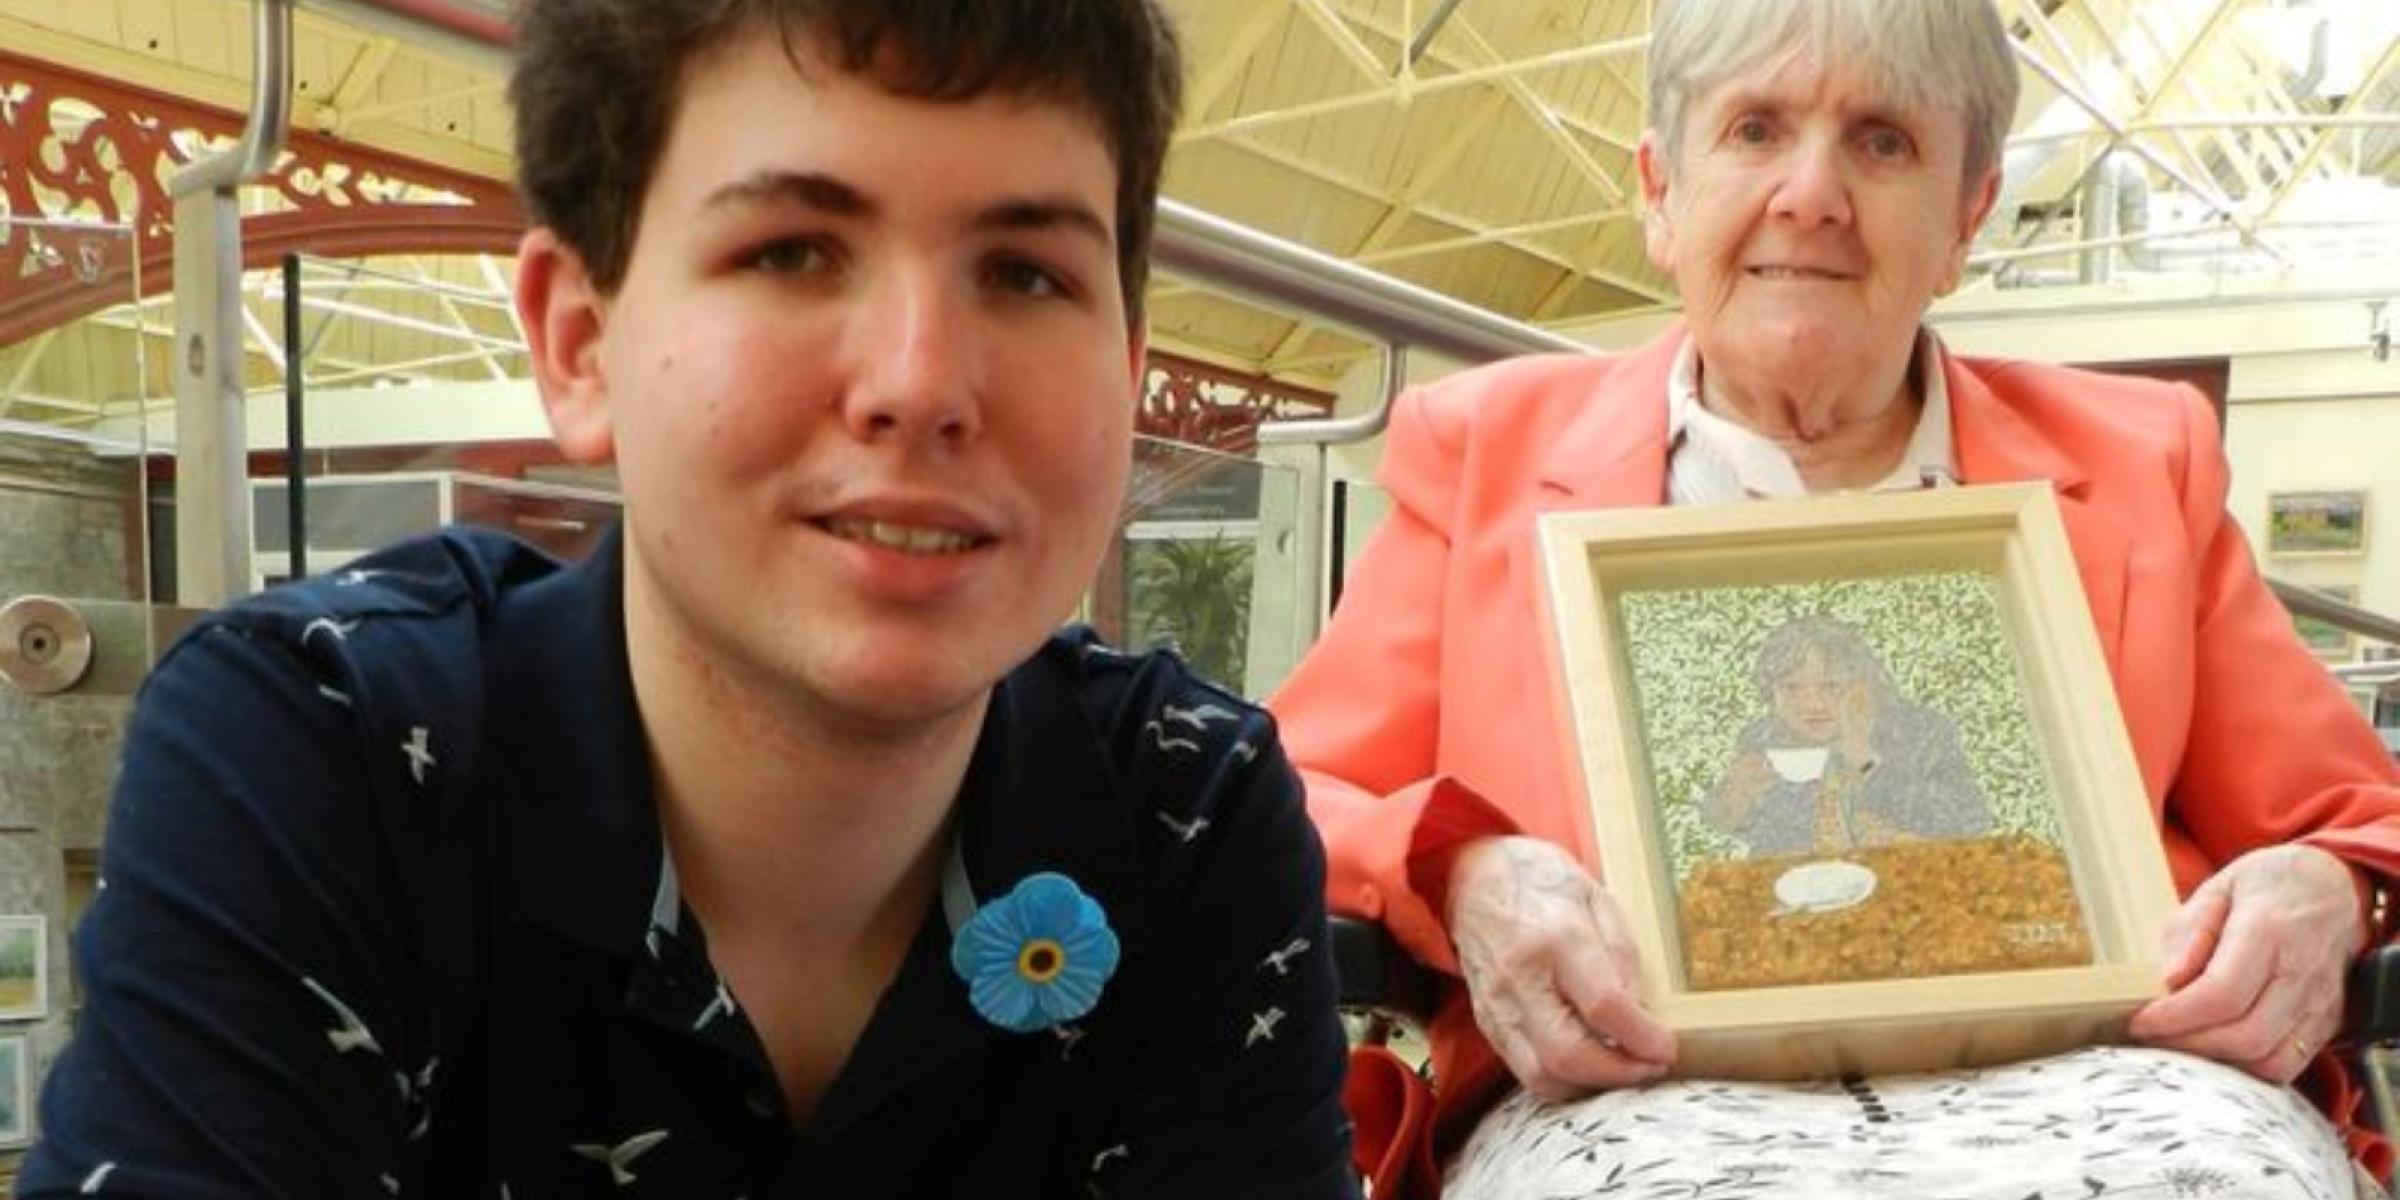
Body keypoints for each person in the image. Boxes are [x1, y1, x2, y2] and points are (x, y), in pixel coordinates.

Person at [20, 3, 1358, 1197]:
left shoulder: (1186, 812)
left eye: (1025, 273)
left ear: (1126, 366)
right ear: (578, 342)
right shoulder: (324, 751)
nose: (920, 383)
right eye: (792, 251)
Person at [1270, 0, 2400, 1194]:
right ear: (1660, 192)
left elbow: (2354, 814)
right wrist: (1467, 871)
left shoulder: (2142, 460)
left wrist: (2328, 890)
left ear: (1966, 218)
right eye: (1756, 129)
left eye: (1882, 140)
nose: (1811, 194)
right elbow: (1297, 793)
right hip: (1628, 1101)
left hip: (2112, 1089)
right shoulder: (1484, 452)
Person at [1701, 616, 1991, 856]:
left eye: (1830, 686)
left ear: (1864, 684)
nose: (1812, 705)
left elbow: (1968, 821)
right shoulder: (1764, 737)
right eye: (1791, 688)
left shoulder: (1919, 730)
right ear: (1770, 692)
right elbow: (1735, 824)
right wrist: (1734, 799)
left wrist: (1865, 760)